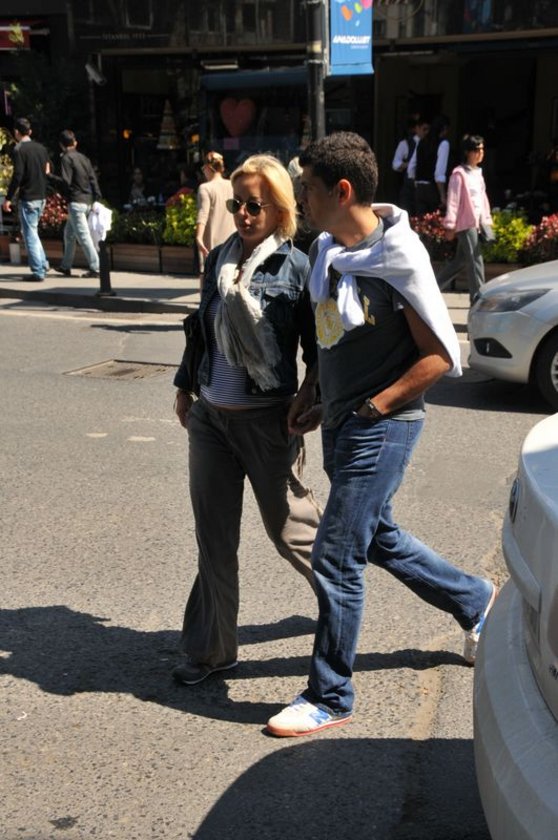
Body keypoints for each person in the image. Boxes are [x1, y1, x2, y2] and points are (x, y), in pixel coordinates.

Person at [266, 132, 497, 738]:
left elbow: (439, 357)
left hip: (384, 426)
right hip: (343, 421)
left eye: (308, 189)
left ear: (341, 191)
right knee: (377, 538)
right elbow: (331, 335)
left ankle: (330, 694)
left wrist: (375, 406)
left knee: (336, 553)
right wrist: (313, 391)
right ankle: (475, 599)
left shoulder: (398, 257)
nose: (301, 200)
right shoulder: (327, 250)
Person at [172, 154, 322, 686]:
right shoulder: (219, 260)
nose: (242, 214)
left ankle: (342, 602)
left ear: (279, 209)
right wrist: (185, 386)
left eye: (253, 205)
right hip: (212, 420)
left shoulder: (298, 267)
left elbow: (318, 349)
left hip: (266, 422)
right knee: (213, 539)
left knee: (291, 532)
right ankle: (213, 652)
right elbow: (201, 329)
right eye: (237, 204)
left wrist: (309, 394)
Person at [437, 134, 493, 303]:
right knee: (476, 259)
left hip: (475, 223)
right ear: (468, 152)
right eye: (477, 150)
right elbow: (453, 201)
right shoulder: (459, 174)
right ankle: (479, 299)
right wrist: (450, 225)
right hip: (465, 223)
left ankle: (432, 288)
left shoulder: (478, 173)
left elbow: (482, 199)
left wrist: (486, 220)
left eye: (482, 149)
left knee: (460, 262)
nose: (481, 153)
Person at [2, 117, 50, 282]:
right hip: (41, 196)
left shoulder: (19, 150)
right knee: (32, 232)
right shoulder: (41, 148)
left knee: (29, 235)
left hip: (28, 197)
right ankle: (43, 263)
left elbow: (18, 175)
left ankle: (38, 271)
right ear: (29, 131)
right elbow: (47, 170)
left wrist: (8, 198)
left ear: (16, 132)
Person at [52, 129, 102, 279]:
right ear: (75, 143)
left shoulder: (66, 158)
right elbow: (93, 178)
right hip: (87, 200)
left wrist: (49, 176)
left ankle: (96, 267)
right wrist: (97, 196)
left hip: (76, 202)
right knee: (69, 234)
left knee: (83, 236)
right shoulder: (84, 158)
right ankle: (65, 266)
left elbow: (66, 182)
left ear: (61, 145)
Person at [195, 151, 236, 277]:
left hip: (212, 242)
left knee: (208, 278)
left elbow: (203, 213)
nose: (203, 171)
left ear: (208, 167)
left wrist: (199, 237)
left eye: (203, 168)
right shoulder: (232, 185)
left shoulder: (205, 188)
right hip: (232, 241)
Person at [413, 114, 451, 215]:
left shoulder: (421, 142)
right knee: (435, 222)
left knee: (420, 221)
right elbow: (439, 173)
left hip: (419, 188)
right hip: (433, 189)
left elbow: (412, 166)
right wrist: (443, 196)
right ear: (444, 129)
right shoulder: (443, 144)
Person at [392, 115, 429, 215]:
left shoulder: (430, 144)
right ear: (417, 128)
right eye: (424, 129)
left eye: (428, 130)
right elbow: (395, 164)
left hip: (423, 188)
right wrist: (410, 164)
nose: (426, 132)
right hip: (409, 186)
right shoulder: (405, 143)